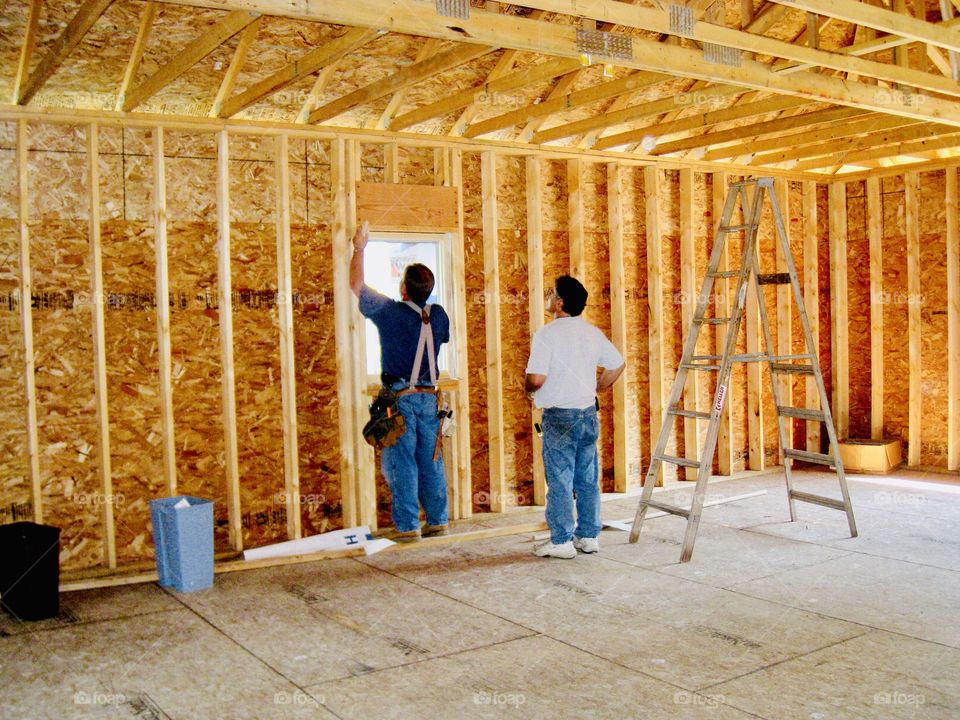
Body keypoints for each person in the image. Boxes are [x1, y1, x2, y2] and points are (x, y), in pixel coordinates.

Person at [350, 220, 451, 542]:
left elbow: (356, 285)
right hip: (429, 399)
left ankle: (407, 527)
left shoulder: (390, 312)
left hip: (400, 400)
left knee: (402, 464)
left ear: (403, 289)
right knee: (431, 461)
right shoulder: (438, 315)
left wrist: (359, 248)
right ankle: (438, 521)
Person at [524, 275, 625, 559]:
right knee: (587, 478)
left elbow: (537, 378)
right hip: (587, 415)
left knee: (559, 480)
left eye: (550, 293)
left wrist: (527, 390)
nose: (547, 296)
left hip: (559, 418)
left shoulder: (547, 335)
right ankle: (589, 536)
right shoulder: (591, 332)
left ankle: (561, 542)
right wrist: (598, 388)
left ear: (559, 303)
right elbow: (617, 365)